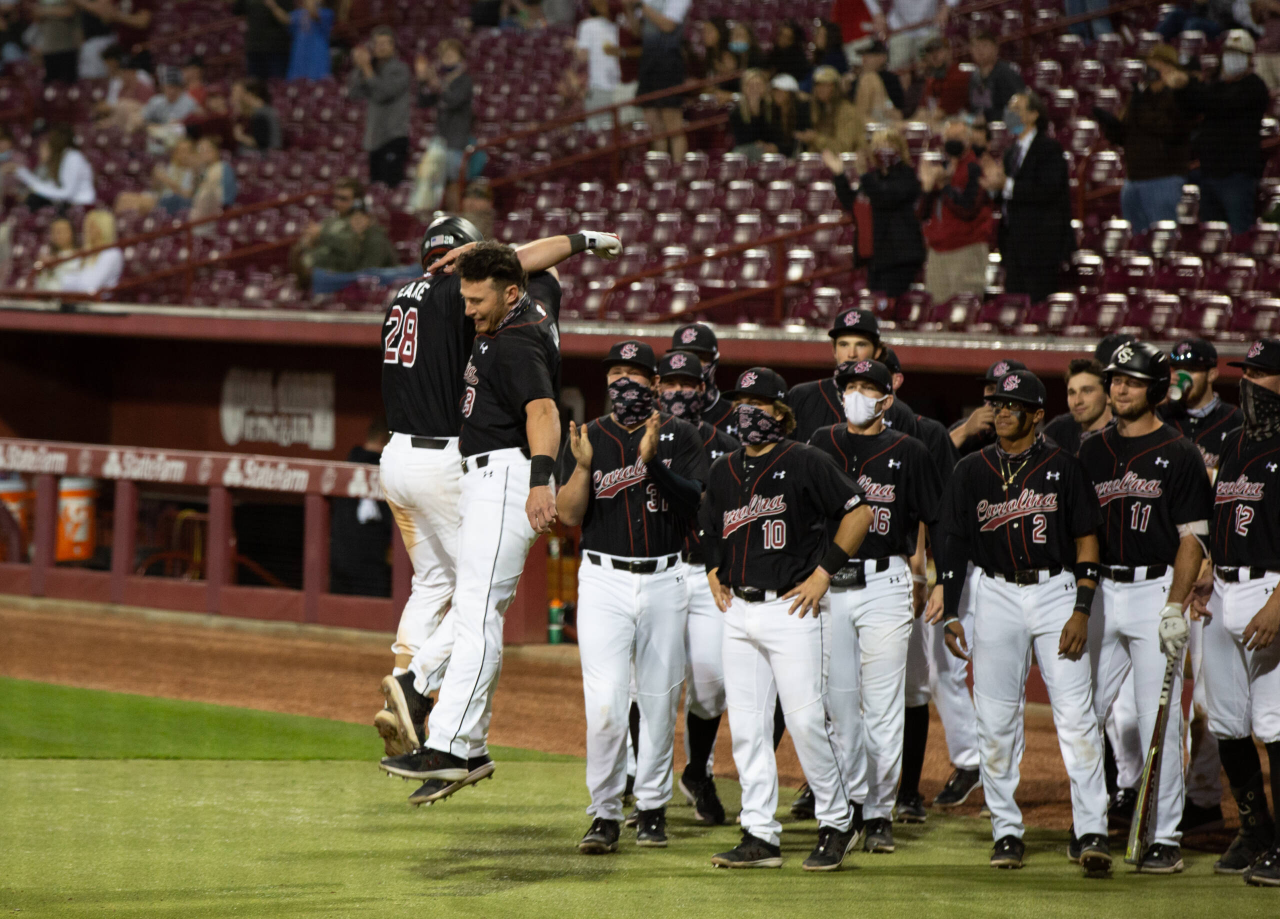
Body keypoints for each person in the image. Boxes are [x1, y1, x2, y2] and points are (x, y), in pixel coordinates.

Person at [379, 234, 623, 800]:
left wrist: (542, 480)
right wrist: (580, 241)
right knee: (474, 603)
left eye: (475, 302)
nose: (467, 311)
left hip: (508, 475)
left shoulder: (515, 342)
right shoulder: (536, 301)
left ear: (510, 292)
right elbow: (544, 267)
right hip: (492, 474)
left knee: (478, 611)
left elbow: (543, 411)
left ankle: (452, 744)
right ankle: (434, 702)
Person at [930, 369, 1111, 875]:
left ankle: (1091, 828)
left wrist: (1081, 608)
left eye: (1012, 404)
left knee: (1076, 716)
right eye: (996, 402)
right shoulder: (971, 470)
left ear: (1036, 414)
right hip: (994, 594)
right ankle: (1006, 830)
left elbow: (1086, 542)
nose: (1002, 410)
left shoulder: (1064, 466)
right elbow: (954, 542)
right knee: (995, 721)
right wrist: (950, 609)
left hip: (1056, 592)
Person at [702, 366, 873, 871]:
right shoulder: (723, 469)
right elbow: (710, 526)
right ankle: (759, 833)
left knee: (803, 723)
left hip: (791, 608)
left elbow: (859, 513)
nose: (747, 412)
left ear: (781, 413)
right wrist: (713, 569)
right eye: (741, 403)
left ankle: (838, 821)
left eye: (758, 404)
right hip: (739, 612)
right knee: (750, 730)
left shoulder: (805, 460)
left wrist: (824, 574)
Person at [558, 340, 707, 854]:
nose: (624, 384)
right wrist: (580, 468)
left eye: (635, 375)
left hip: (667, 579)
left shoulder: (681, 435)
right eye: (616, 374)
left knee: (661, 701)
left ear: (655, 384)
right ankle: (603, 814)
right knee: (604, 704)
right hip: (602, 580)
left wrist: (652, 463)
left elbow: (695, 502)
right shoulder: (587, 436)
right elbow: (570, 515)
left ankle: (651, 808)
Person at [1077, 343, 1213, 874]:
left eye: (1132, 381)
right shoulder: (1090, 452)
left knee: (1164, 722)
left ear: (1155, 389)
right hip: (1102, 595)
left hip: (1156, 590)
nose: (1120, 389)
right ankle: (1089, 826)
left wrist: (1176, 605)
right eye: (1115, 379)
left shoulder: (1179, 454)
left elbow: (1192, 540)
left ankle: (1165, 836)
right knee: (1081, 713)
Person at [810, 358, 942, 855]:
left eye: (869, 388)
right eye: (851, 386)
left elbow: (935, 515)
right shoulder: (820, 443)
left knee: (883, 706)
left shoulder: (909, 450)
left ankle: (880, 813)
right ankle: (848, 806)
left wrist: (937, 580)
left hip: (886, 580)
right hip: (831, 586)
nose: (858, 394)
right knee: (838, 704)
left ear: (888, 399)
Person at [1192, 337, 1280, 886]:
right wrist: (1206, 572)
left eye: (1260, 373)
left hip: (1271, 588)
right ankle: (1255, 833)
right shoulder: (1234, 441)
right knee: (1225, 720)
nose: (1247, 381)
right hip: (1224, 589)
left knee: (1275, 724)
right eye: (1244, 372)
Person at [1158, 337, 1240, 836]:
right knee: (1156, 691)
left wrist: (1211, 559)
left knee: (1207, 697)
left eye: (1190, 367)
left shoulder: (1234, 424)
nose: (1180, 374)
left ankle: (1205, 798)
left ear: (1211, 372)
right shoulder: (1162, 422)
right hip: (1164, 569)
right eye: (1174, 367)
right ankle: (1144, 789)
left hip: (1212, 571)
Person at [654, 349, 738, 826]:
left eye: (687, 382)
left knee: (711, 685)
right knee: (650, 685)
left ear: (704, 387)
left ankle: (695, 773)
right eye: (669, 381)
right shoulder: (638, 442)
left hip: (707, 573)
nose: (678, 391)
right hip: (662, 569)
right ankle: (641, 782)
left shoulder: (726, 444)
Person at [1168, 30, 1270, 234]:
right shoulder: (1218, 87)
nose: (1232, 59)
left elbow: (1217, 103)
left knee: (1240, 235)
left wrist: (1188, 84)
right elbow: (1194, 105)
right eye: (1229, 53)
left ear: (1250, 58)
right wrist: (1180, 86)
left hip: (1236, 176)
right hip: (1210, 173)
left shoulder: (1254, 87)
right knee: (1212, 237)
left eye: (1239, 53)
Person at [982, 91, 1073, 304]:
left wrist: (1006, 184)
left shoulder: (1048, 148)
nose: (1010, 115)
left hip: (1040, 245)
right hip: (1014, 245)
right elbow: (1006, 194)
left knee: (1038, 306)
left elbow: (1048, 190)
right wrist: (993, 188)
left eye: (1016, 110)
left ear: (1033, 115)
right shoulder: (1011, 152)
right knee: (1015, 305)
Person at [1093, 45, 1194, 232]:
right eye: (1149, 64)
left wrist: (1140, 107)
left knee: (1162, 241)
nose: (1150, 68)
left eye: (1155, 64)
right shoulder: (1140, 96)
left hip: (1163, 178)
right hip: (1133, 179)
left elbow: (1169, 129)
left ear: (1169, 67)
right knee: (1138, 246)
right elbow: (1127, 136)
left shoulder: (1178, 96)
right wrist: (1112, 127)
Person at [919, 119, 994, 305]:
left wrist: (945, 186)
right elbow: (922, 213)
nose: (952, 141)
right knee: (935, 311)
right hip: (938, 250)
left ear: (968, 140)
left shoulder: (975, 168)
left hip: (966, 249)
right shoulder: (941, 168)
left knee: (963, 310)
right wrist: (928, 187)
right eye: (948, 137)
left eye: (957, 137)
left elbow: (968, 209)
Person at [842, 129, 924, 298]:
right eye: (879, 146)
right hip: (876, 258)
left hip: (899, 259)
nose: (883, 150)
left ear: (900, 149)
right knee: (876, 311)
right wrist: (838, 176)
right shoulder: (873, 178)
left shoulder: (907, 177)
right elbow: (853, 204)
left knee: (891, 310)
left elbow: (885, 197)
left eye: (889, 145)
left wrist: (864, 175)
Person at [329, 418, 392, 597]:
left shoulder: (347, 464)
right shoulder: (386, 470)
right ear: (383, 440)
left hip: (339, 562)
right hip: (369, 568)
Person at [1160, 338, 1243, 469]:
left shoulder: (1237, 420)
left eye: (1191, 370)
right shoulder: (1160, 416)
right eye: (1177, 369)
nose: (1181, 376)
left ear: (1212, 374)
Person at [350, 26, 412, 186]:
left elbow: (383, 93)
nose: (381, 47)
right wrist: (359, 66)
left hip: (393, 136)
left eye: (386, 43)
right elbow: (354, 93)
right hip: (374, 137)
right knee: (374, 187)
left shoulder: (400, 69)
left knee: (390, 186)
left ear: (393, 46)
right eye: (377, 43)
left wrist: (366, 69)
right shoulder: (371, 67)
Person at [416, 38, 474, 206]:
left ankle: (456, 217)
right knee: (435, 182)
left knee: (454, 182)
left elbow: (454, 101)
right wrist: (422, 81)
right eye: (444, 55)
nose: (447, 57)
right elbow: (424, 102)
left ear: (460, 57)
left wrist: (437, 85)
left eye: (451, 54)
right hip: (440, 139)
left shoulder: (464, 80)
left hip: (456, 140)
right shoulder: (444, 80)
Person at [634, 0, 690, 161]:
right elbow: (638, 32)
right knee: (653, 122)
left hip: (668, 61)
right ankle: (661, 173)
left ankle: (679, 170)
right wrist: (630, 9)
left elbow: (668, 25)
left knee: (672, 123)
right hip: (647, 61)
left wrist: (641, 7)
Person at [665, 323, 738, 435]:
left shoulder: (735, 416)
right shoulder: (655, 415)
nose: (690, 364)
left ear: (714, 361)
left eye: (699, 358)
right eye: (683, 358)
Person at [950, 360, 1029, 455]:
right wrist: (964, 430)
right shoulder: (963, 427)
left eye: (1003, 389)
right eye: (990, 389)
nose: (994, 396)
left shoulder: (1032, 438)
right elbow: (933, 459)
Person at [8, 123, 95, 207]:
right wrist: (22, 172)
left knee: (34, 200)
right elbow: (51, 185)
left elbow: (67, 193)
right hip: (68, 204)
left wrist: (35, 187)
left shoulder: (73, 157)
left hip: (81, 205)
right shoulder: (64, 157)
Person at [1042, 358, 1115, 455]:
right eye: (1072, 393)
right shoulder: (1059, 430)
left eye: (1087, 391)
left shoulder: (1123, 433)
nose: (1077, 401)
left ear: (1108, 395)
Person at [114, 136, 196, 215]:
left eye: (185, 151)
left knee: (132, 204)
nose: (182, 154)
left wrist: (168, 181)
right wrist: (156, 179)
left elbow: (187, 195)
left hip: (169, 202)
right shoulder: (170, 167)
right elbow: (155, 187)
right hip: (157, 197)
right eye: (179, 151)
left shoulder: (191, 172)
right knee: (122, 198)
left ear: (191, 153)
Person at [866, 0, 954, 73]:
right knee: (899, 71)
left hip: (929, 26)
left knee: (934, 67)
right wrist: (876, 13)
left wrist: (947, 7)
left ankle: (931, 92)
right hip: (899, 26)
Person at [574, 0, 622, 130]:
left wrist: (574, 45)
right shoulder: (588, 25)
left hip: (621, 87)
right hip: (600, 86)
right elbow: (582, 56)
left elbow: (582, 56)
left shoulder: (623, 24)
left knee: (617, 133)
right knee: (599, 133)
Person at [798, 65, 863, 156]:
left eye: (826, 85)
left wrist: (816, 138)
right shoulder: (820, 109)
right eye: (818, 85)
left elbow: (844, 148)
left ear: (836, 88)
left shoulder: (846, 111)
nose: (821, 89)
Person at [59, 208, 122, 294]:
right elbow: (64, 284)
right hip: (79, 301)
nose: (87, 230)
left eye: (92, 226)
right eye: (86, 226)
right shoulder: (86, 251)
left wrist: (76, 282)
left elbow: (90, 286)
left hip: (102, 304)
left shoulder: (112, 253)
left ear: (103, 228)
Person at [968, 31, 1024, 125]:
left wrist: (989, 118)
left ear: (995, 48)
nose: (980, 50)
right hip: (979, 129)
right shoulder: (974, 76)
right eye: (976, 46)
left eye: (984, 45)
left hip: (1004, 128)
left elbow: (1018, 108)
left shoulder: (1007, 74)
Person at [234, 0, 291, 81]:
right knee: (255, 85)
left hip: (277, 49)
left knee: (276, 83)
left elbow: (289, 20)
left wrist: (273, 6)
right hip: (254, 48)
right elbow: (236, 10)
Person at [913, 36, 968, 118]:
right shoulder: (931, 78)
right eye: (930, 52)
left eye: (939, 51)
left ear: (949, 52)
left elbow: (940, 114)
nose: (934, 55)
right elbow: (922, 110)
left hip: (958, 124)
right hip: (938, 125)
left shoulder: (957, 75)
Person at [728, 69, 776, 161]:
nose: (754, 89)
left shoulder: (772, 108)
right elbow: (742, 139)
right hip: (745, 152)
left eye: (758, 85)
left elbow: (774, 135)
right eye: (751, 85)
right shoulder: (736, 112)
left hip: (767, 151)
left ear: (765, 87)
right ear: (744, 88)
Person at [851, 39, 904, 121]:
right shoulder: (857, 80)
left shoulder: (890, 80)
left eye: (869, 55)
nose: (864, 60)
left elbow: (895, 109)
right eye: (863, 56)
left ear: (882, 57)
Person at [33, 0, 80, 84]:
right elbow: (36, 13)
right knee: (51, 85)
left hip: (67, 47)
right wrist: (57, 11)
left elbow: (69, 12)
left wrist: (46, 11)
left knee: (69, 84)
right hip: (48, 48)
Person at [140, 66, 199, 132]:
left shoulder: (189, 103)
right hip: (157, 135)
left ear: (181, 88)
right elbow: (141, 119)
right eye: (169, 87)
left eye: (175, 87)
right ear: (163, 87)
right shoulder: (156, 101)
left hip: (179, 138)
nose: (172, 91)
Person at [231, 78, 282, 153]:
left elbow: (260, 142)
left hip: (267, 154)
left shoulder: (261, 113)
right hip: (270, 152)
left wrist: (240, 137)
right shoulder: (266, 110)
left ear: (250, 94)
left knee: (241, 151)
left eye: (244, 94)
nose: (242, 98)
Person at [765, 74, 809, 158]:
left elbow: (798, 139)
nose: (777, 94)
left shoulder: (802, 111)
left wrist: (778, 149)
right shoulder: (771, 111)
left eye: (781, 91)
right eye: (775, 91)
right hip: (777, 158)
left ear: (790, 93)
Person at [287, 0, 333, 80]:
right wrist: (273, 6)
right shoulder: (299, 13)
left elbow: (313, 14)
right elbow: (287, 20)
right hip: (300, 52)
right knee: (297, 82)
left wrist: (310, 3)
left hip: (317, 52)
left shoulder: (327, 13)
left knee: (317, 81)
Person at [33, 218, 80, 290]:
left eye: (61, 231)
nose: (57, 235)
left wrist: (55, 265)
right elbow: (39, 285)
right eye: (54, 231)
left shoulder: (81, 256)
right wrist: (41, 268)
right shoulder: (46, 254)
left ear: (72, 233)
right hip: (45, 297)